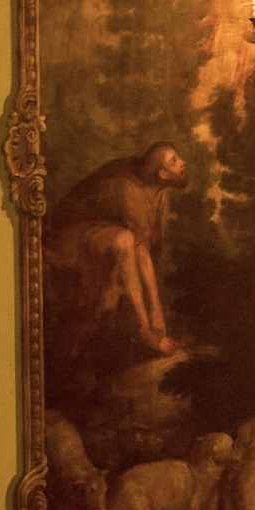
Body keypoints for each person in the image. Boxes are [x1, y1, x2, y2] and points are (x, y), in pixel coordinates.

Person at [48, 142, 187, 357]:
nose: (182, 163)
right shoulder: (129, 189)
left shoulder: (158, 191)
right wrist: (153, 314)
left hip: (101, 232)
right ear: (162, 173)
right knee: (124, 240)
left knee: (127, 240)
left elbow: (144, 248)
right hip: (67, 235)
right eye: (174, 161)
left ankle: (147, 327)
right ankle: (144, 330)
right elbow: (138, 248)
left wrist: (157, 312)